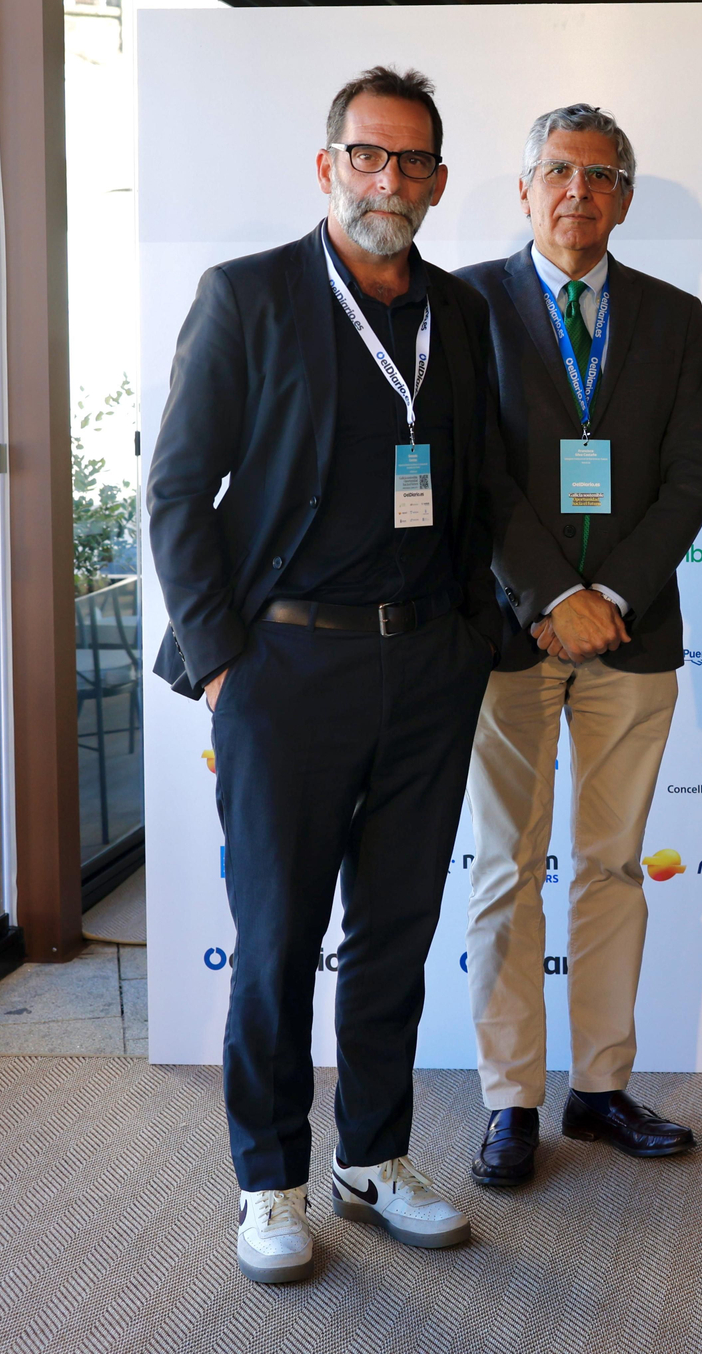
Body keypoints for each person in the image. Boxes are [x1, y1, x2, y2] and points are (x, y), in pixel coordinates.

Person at [149, 66, 505, 1284]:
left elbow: (478, 488)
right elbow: (174, 491)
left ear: (439, 183)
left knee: (398, 932)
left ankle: (376, 1157)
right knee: (277, 942)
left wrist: (466, 635)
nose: (387, 181)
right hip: (282, 669)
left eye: (410, 163)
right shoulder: (247, 297)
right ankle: (268, 1181)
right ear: (327, 166)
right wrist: (220, 667)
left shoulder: (457, 315)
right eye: (367, 155)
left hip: (426, 669)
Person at [455, 105, 702, 1185]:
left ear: (623, 197)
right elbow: (470, 467)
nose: (579, 192)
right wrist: (551, 593)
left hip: (633, 629)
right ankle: (510, 1098)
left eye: (602, 176)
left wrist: (607, 591)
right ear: (523, 190)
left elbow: (687, 476)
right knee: (504, 871)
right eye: (558, 172)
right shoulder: (463, 304)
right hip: (507, 630)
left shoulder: (670, 313)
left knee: (609, 867)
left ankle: (599, 1088)